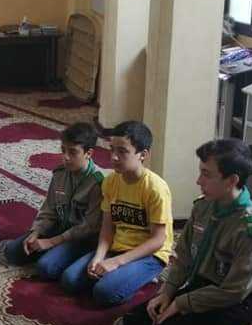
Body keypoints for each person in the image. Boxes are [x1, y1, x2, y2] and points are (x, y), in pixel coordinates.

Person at [124, 138, 252, 325]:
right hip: (201, 287)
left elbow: (233, 291)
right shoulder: (203, 206)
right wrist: (168, 292)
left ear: (231, 180)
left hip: (232, 302)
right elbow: (184, 256)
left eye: (206, 174)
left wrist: (181, 304)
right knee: (134, 322)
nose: (198, 181)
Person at [60, 121, 173, 306]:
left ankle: (143, 276)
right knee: (69, 280)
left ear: (143, 155)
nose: (113, 157)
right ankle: (120, 277)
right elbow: (107, 228)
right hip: (118, 247)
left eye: (122, 151)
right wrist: (99, 256)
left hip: (150, 255)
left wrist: (116, 262)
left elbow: (158, 240)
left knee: (103, 293)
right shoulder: (111, 181)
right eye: (112, 149)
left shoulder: (155, 188)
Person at [0, 122, 104, 280]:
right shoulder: (60, 173)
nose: (66, 157)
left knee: (45, 268)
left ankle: (71, 258)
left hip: (80, 239)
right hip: (59, 228)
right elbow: (49, 209)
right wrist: (37, 232)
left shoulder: (97, 182)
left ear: (88, 153)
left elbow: (89, 227)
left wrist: (51, 242)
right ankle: (55, 253)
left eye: (73, 152)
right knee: (12, 252)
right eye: (63, 150)